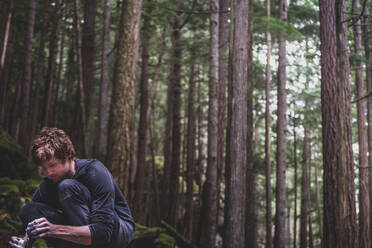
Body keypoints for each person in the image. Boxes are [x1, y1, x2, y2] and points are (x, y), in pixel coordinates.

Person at [9, 127, 135, 248]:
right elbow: (30, 217)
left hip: (116, 231)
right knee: (29, 210)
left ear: (68, 156)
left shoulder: (95, 171)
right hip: (82, 232)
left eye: (52, 165)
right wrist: (23, 239)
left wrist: (54, 229)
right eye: (44, 168)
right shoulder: (49, 183)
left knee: (67, 187)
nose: (48, 172)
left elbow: (103, 232)